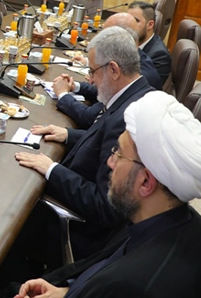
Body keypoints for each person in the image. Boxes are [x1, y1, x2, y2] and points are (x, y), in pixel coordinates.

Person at [5, 91, 201, 298]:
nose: (110, 162)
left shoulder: (132, 285)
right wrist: (66, 291)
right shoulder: (183, 223)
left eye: (119, 154)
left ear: (146, 182)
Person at [14, 27, 154, 265]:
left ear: (113, 70)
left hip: (78, 230)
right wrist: (68, 135)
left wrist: (51, 169)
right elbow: (101, 141)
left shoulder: (126, 117)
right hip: (79, 205)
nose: (90, 80)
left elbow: (105, 205)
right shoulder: (135, 94)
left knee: (6, 203)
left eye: (93, 71)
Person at [53, 13, 162, 129]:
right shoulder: (132, 61)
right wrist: (76, 86)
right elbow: (106, 90)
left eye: (105, 35)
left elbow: (90, 118)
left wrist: (63, 94)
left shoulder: (138, 74)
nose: (91, 80)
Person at [127, 1, 171, 85]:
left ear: (150, 25)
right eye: (128, 20)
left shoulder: (160, 55)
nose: (129, 25)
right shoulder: (131, 43)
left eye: (135, 21)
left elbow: (143, 86)